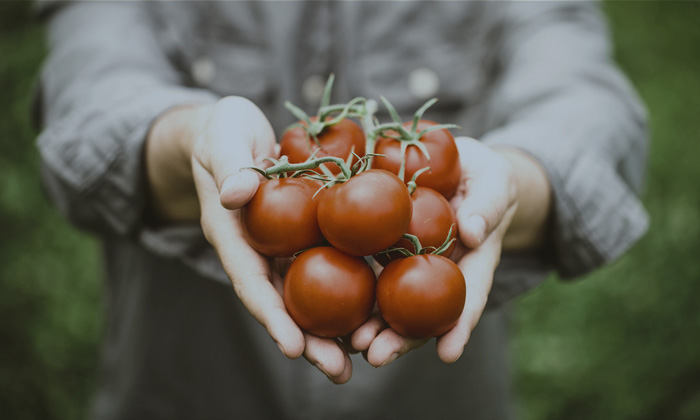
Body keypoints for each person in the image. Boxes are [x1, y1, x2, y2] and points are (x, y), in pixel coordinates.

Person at [35, 1, 649, 419]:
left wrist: (517, 179)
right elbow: (87, 94)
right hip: (189, 388)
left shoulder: (395, 190)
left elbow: (588, 98)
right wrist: (187, 140)